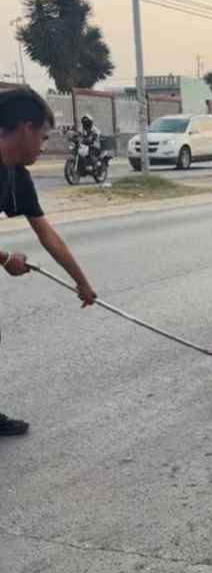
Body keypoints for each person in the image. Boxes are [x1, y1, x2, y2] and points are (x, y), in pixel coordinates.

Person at [0, 87, 98, 436]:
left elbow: (46, 233)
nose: (43, 146)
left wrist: (82, 283)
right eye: (42, 137)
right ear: (26, 128)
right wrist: (6, 257)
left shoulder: (15, 174)